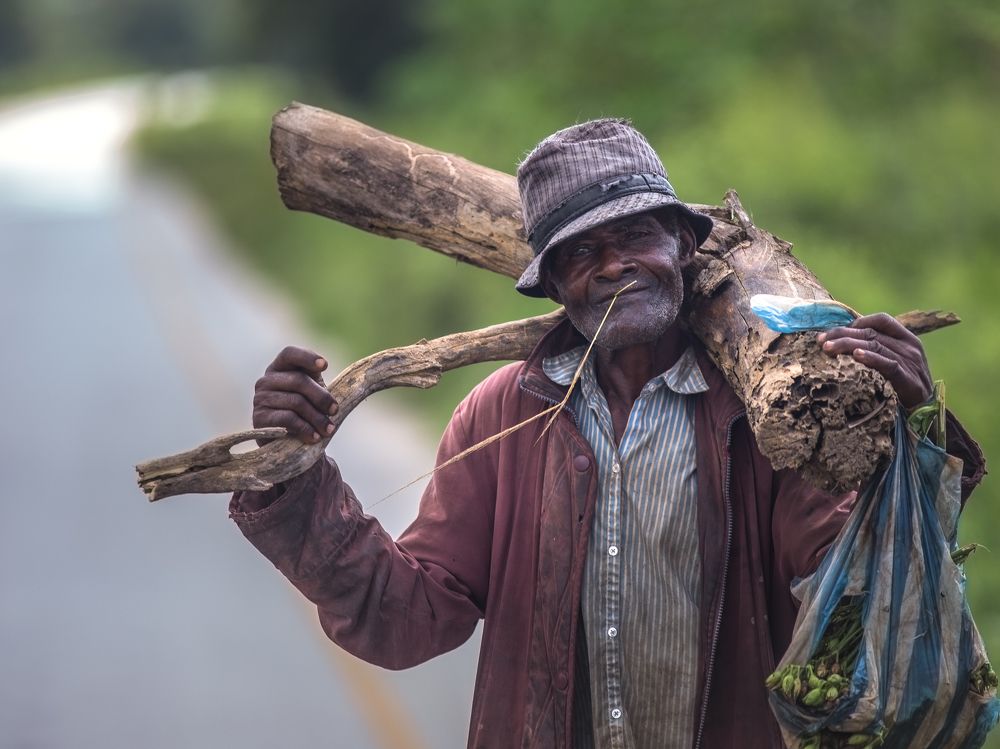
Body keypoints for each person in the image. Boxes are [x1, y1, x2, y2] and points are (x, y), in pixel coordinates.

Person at [231, 119, 985, 748]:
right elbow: (409, 619)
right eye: (582, 252)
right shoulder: (503, 415)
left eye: (638, 236)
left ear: (684, 250)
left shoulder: (763, 412)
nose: (615, 266)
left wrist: (909, 432)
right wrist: (295, 477)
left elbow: (859, 585)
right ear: (554, 284)